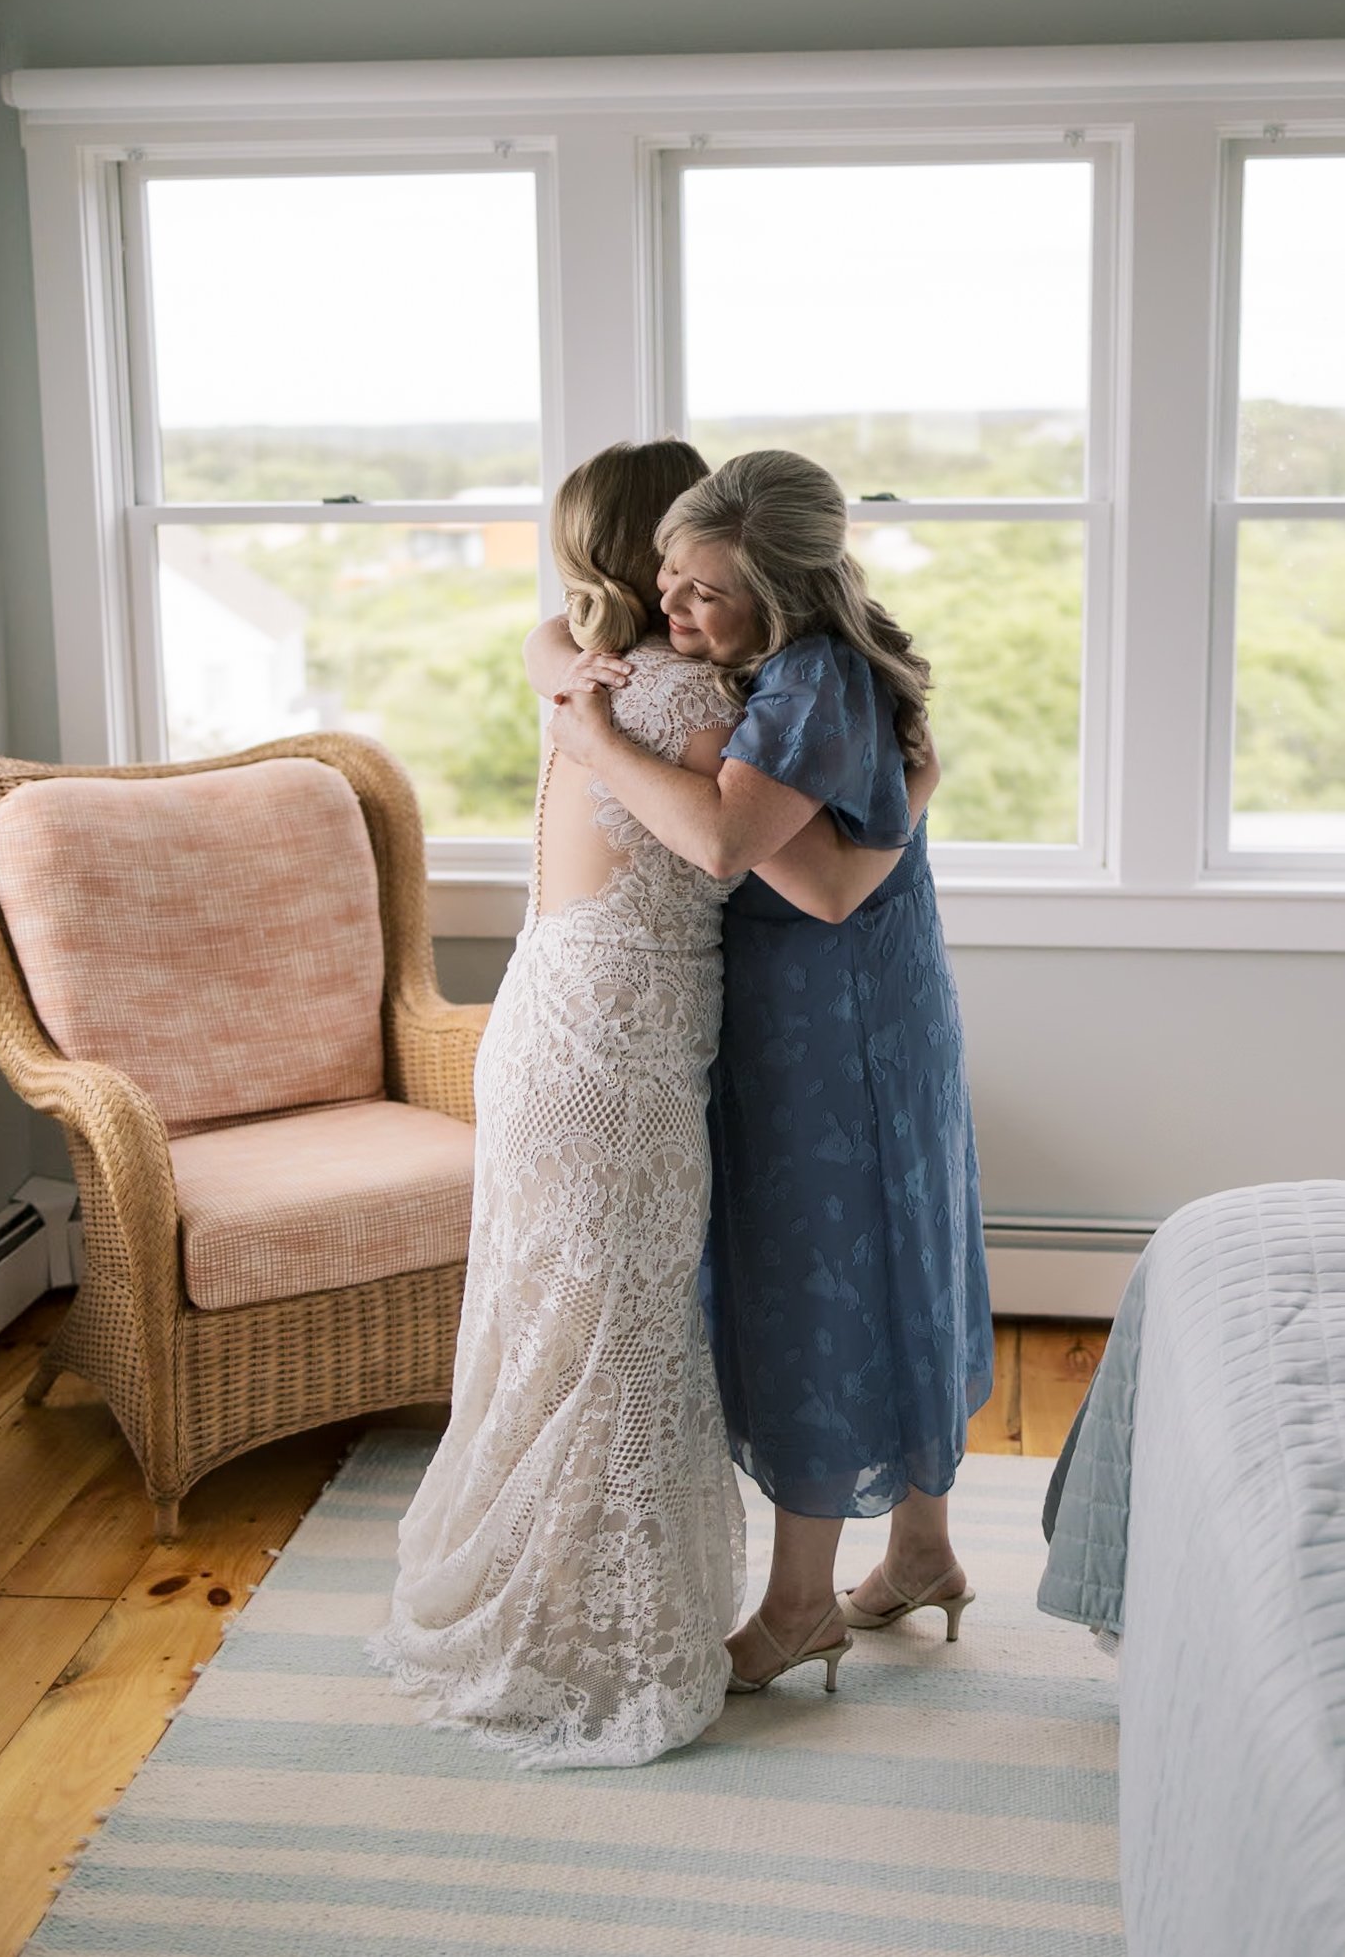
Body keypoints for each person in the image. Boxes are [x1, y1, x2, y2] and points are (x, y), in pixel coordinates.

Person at [367, 441, 917, 1766]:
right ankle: (591, 1641)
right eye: (677, 558)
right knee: (619, 1345)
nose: (688, 580)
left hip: (549, 1030)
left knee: (566, 1334)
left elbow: (546, 641)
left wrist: (569, 683)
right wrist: (909, 795)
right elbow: (791, 868)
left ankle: (561, 1603)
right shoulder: (692, 708)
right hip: (612, 1060)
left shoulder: (596, 670)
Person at [548, 448, 992, 1693]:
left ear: (785, 592)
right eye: (669, 582)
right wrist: (905, 798)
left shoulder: (804, 681)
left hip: (829, 1022)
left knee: (820, 1279)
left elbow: (724, 843)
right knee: (897, 1250)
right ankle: (921, 1552)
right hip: (878, 998)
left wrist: (592, 737)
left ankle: (801, 1603)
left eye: (704, 596)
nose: (675, 614)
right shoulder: (805, 662)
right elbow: (839, 870)